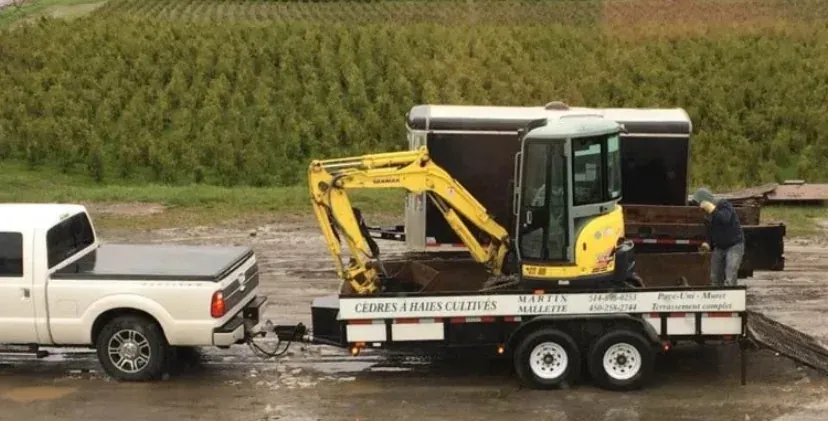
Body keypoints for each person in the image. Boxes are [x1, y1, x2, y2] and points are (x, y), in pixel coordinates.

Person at [692, 188, 745, 287]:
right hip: (719, 247)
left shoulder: (724, 205)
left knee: (730, 277)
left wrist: (712, 210)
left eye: (700, 203)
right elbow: (709, 231)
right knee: (714, 278)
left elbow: (724, 219)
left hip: (734, 246)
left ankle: (731, 300)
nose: (699, 207)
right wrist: (707, 243)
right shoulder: (707, 215)